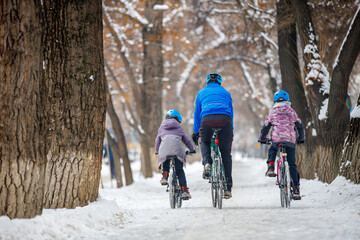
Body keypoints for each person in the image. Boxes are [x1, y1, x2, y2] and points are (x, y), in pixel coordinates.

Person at [192, 73, 234, 199]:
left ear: (207, 82)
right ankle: (227, 188)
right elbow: (231, 112)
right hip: (225, 120)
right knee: (225, 154)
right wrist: (230, 130)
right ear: (220, 82)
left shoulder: (200, 93)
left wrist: (196, 132)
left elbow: (197, 114)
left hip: (207, 120)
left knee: (204, 141)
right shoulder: (226, 93)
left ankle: (207, 162)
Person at [258, 90, 305, 199]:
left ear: (275, 101)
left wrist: (262, 139)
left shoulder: (273, 112)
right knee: (292, 164)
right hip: (290, 140)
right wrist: (300, 138)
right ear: (288, 101)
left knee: (273, 149)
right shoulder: (292, 111)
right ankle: (296, 188)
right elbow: (300, 126)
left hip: (277, 138)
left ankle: (270, 166)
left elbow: (265, 127)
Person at [155, 109, 196, 200]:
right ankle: (184, 190)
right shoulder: (179, 128)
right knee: (179, 170)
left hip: (164, 150)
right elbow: (186, 140)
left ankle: (165, 175)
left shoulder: (161, 128)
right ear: (178, 119)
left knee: (165, 158)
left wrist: (157, 150)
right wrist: (192, 149)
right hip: (178, 151)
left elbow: (157, 140)